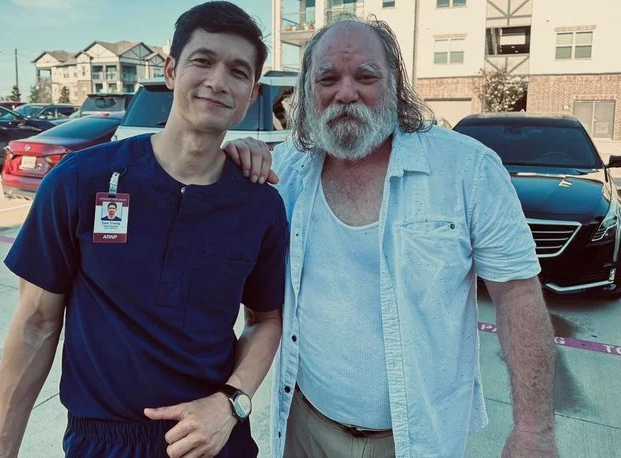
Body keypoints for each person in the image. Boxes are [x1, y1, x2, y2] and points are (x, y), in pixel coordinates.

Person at [224, 15, 557, 458]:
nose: (345, 92)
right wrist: (232, 158)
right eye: (327, 78)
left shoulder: (467, 171)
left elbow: (517, 295)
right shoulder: (284, 171)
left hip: (417, 440)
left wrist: (534, 431)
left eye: (365, 76)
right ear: (307, 90)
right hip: (305, 427)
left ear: (395, 84)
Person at [0, 2, 287, 457]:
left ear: (251, 94)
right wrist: (1, 450)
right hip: (103, 443)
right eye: (203, 61)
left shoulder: (260, 204)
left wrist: (232, 402)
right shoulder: (80, 181)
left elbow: (265, 320)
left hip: (215, 441)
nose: (217, 81)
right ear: (170, 70)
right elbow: (35, 324)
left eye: (237, 71)